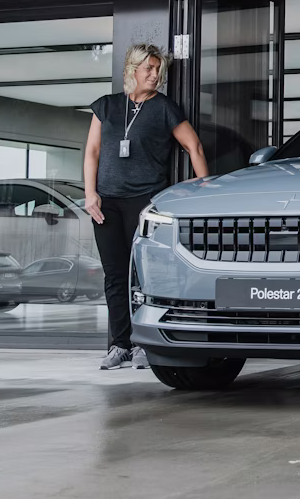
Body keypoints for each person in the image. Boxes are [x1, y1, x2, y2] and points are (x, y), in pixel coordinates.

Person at [85, 44, 208, 370]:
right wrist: (90, 194)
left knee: (143, 275)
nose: (155, 75)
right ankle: (120, 345)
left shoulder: (165, 108)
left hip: (146, 202)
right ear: (133, 70)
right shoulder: (107, 106)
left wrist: (206, 190)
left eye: (158, 70)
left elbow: (193, 145)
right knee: (114, 275)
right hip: (107, 203)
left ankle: (143, 343)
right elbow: (92, 153)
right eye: (149, 69)